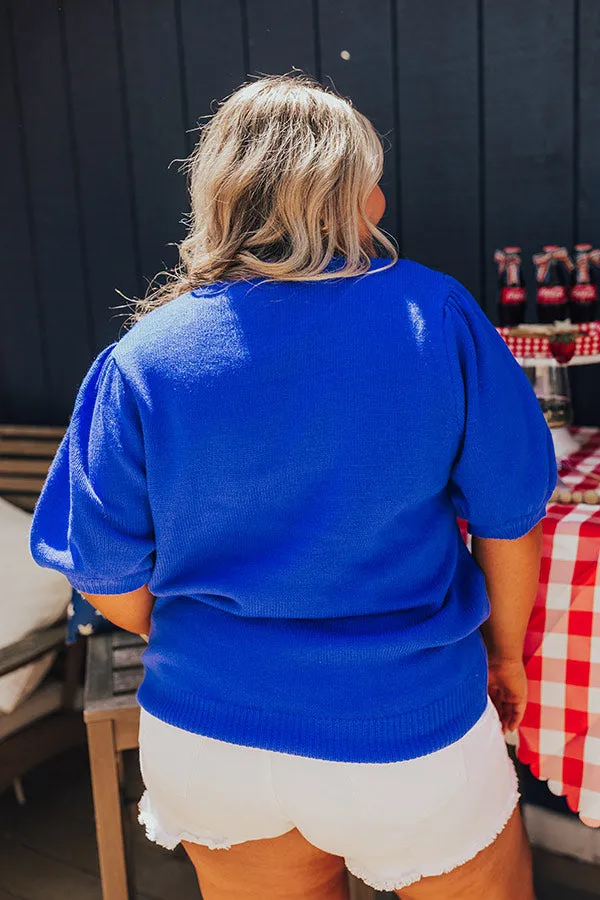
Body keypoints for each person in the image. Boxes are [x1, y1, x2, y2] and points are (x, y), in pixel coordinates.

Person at [29, 74, 556, 899]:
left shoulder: (143, 357)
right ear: (348, 197)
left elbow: (102, 573)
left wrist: (214, 644)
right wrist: (506, 653)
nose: (381, 198)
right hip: (407, 729)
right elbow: (509, 520)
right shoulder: (439, 316)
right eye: (370, 178)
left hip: (209, 738)